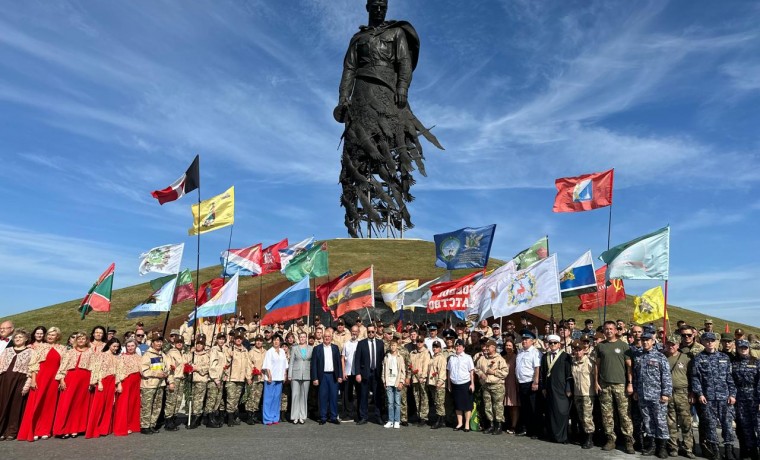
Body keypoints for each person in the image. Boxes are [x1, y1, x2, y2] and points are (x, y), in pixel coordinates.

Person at [334, 0, 442, 237]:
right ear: (368, 7)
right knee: (357, 152)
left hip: (388, 93)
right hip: (361, 95)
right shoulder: (358, 39)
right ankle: (356, 218)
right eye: (376, 5)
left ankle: (395, 211)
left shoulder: (396, 33)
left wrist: (402, 88)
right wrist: (343, 99)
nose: (380, 9)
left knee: (389, 149)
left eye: (383, 5)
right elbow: (349, 70)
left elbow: (404, 63)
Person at [691, 331, 737, 460]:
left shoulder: (724, 358)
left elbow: (730, 378)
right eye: (707, 340)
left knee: (727, 425)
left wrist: (732, 394)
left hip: (725, 397)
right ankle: (715, 450)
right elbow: (696, 378)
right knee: (710, 425)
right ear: (703, 342)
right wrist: (699, 394)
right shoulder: (699, 358)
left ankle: (728, 450)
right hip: (708, 398)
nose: (710, 343)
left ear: (716, 342)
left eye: (712, 340)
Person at [18, 327, 65, 442]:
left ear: (57, 336)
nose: (50, 336)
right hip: (40, 377)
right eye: (48, 334)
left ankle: (44, 430)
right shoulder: (39, 347)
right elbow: (33, 364)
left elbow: (64, 366)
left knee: (49, 404)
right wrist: (33, 380)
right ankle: (33, 429)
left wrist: (61, 379)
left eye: (53, 335)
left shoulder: (62, 349)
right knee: (36, 403)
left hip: (54, 380)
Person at [595, 321, 635, 453]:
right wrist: (596, 382)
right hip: (605, 385)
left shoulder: (624, 346)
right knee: (607, 415)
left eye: (611, 329)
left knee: (624, 414)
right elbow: (597, 366)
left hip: (621, 385)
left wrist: (630, 383)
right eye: (606, 329)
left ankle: (629, 441)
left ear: (616, 330)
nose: (608, 331)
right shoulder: (600, 346)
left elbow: (629, 366)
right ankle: (610, 439)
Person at [633, 332, 672, 458]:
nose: (645, 342)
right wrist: (635, 391)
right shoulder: (639, 357)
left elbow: (666, 376)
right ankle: (652, 445)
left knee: (660, 422)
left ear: (653, 341)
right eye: (643, 340)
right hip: (643, 395)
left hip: (658, 396)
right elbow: (635, 376)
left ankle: (662, 447)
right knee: (648, 421)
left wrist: (665, 393)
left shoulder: (660, 357)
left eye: (647, 340)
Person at [54, 331, 94, 438]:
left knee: (79, 404)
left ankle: (76, 428)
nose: (81, 341)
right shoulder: (70, 352)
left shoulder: (91, 352)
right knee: (66, 402)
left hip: (85, 378)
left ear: (86, 340)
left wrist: (92, 382)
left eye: (83, 339)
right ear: (76, 340)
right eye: (79, 339)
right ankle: (63, 429)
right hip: (70, 377)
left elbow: (94, 367)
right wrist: (62, 379)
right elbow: (63, 366)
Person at [663, 335, 696, 458]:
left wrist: (692, 392)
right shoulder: (663, 357)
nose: (671, 346)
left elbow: (692, 376)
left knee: (686, 422)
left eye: (674, 344)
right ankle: (673, 447)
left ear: (678, 345)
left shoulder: (686, 358)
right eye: (669, 344)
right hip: (668, 393)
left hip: (683, 393)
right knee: (670, 422)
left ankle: (688, 448)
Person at [540, 334, 574, 444]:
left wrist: (568, 388)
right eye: (550, 343)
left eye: (555, 343)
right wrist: (544, 387)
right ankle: (553, 435)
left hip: (562, 388)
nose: (553, 345)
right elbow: (543, 373)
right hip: (550, 388)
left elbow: (569, 374)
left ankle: (563, 437)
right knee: (551, 412)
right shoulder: (545, 356)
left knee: (562, 412)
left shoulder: (566, 356)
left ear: (559, 344)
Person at [0, 329, 32, 441]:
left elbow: (31, 369)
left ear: (26, 339)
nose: (18, 339)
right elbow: (0, 364)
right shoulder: (8, 350)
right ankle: (1, 430)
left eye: (20, 337)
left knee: (15, 406)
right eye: (16, 337)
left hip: (20, 381)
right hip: (4, 380)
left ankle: (12, 431)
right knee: (2, 404)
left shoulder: (30, 352)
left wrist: (27, 385)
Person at [139, 332, 174, 435]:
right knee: (147, 406)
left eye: (160, 341)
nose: (159, 343)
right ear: (152, 343)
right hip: (149, 385)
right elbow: (144, 370)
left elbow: (168, 369)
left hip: (160, 384)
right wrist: (156, 374)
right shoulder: (147, 354)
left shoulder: (163, 355)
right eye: (156, 341)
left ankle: (152, 424)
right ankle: (145, 426)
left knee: (157, 406)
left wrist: (167, 376)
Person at [85, 338, 120, 438]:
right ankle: (93, 429)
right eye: (114, 346)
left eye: (117, 347)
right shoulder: (102, 355)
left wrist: (118, 383)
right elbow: (97, 369)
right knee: (99, 405)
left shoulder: (116, 357)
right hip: (103, 380)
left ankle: (104, 429)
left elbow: (118, 371)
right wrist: (99, 382)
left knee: (109, 405)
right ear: (109, 345)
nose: (115, 348)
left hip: (112, 381)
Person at [731, 339, 760, 460]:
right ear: (737, 348)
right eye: (741, 347)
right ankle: (752, 451)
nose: (743, 349)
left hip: (754, 397)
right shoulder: (734, 363)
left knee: (758, 426)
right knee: (745, 426)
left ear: (749, 348)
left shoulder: (756, 362)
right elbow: (731, 380)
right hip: (740, 398)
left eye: (745, 347)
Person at [476, 339, 508, 435]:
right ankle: (490, 425)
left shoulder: (500, 359)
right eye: (485, 346)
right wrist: (481, 374)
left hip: (497, 385)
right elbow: (476, 368)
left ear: (493, 347)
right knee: (487, 406)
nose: (486, 348)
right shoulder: (482, 358)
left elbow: (505, 372)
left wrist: (494, 372)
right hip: (486, 385)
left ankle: (498, 426)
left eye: (488, 346)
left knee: (497, 406)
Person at [354, 324, 384, 424]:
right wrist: (357, 373)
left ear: (375, 331)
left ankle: (378, 416)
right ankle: (363, 417)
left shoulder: (380, 343)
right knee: (363, 395)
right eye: (369, 332)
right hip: (365, 373)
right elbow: (357, 359)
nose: (370, 333)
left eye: (372, 331)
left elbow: (382, 359)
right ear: (367, 332)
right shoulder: (361, 343)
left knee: (377, 396)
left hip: (377, 373)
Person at [311, 329, 343, 425]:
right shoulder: (317, 349)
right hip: (323, 376)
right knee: (323, 397)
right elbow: (314, 365)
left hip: (333, 375)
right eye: (325, 337)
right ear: (323, 337)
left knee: (334, 396)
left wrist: (340, 375)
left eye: (329, 336)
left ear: (331, 337)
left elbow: (338, 363)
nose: (327, 338)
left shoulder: (335, 348)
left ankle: (333, 417)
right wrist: (315, 378)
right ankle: (323, 417)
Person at [515, 330, 542, 438]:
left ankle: (536, 430)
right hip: (521, 383)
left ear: (532, 341)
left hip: (530, 382)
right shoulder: (520, 352)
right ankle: (527, 428)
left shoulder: (535, 352)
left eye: (526, 339)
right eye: (523, 339)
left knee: (533, 407)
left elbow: (537, 368)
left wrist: (535, 382)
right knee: (525, 408)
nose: (524, 341)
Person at [570, 339, 595, 449]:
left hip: (587, 394)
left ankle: (589, 439)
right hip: (577, 393)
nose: (577, 352)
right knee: (580, 416)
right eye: (575, 350)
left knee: (587, 417)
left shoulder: (590, 362)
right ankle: (583, 436)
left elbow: (595, 376)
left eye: (579, 350)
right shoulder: (573, 362)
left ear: (584, 350)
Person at [113, 338, 141, 436]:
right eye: (128, 346)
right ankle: (122, 426)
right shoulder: (122, 357)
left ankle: (131, 425)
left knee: (133, 404)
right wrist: (119, 384)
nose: (130, 348)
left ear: (136, 346)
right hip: (126, 381)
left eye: (132, 346)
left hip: (136, 382)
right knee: (123, 404)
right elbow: (118, 372)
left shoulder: (139, 357)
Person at [224, 331, 252, 427]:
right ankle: (230, 419)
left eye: (240, 338)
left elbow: (248, 365)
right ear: (234, 339)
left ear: (242, 339)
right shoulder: (230, 349)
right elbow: (225, 364)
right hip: (231, 378)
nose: (238, 340)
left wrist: (248, 377)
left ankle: (232, 416)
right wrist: (229, 357)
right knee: (231, 398)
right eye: (237, 338)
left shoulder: (245, 351)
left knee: (236, 399)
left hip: (240, 379)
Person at [447, 339, 475, 432]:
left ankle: (467, 424)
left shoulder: (468, 357)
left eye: (460, 346)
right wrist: (449, 384)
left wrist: (472, 384)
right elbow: (449, 372)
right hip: (455, 384)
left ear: (463, 348)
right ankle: (460, 423)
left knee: (467, 405)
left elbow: (471, 372)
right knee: (457, 405)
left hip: (465, 383)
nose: (457, 347)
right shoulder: (452, 358)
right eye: (456, 346)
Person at [184, 335, 211, 429]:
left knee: (198, 400)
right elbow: (185, 362)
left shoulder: (206, 355)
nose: (199, 345)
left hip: (201, 379)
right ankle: (192, 415)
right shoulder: (192, 353)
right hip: (191, 379)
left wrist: (197, 368)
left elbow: (207, 368)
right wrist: (189, 353)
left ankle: (196, 417)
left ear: (204, 345)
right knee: (191, 399)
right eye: (198, 343)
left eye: (201, 344)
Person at [262, 335, 288, 425]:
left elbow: (285, 365)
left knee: (277, 398)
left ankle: (275, 417)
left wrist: (285, 375)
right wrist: (269, 376)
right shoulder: (269, 352)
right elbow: (267, 365)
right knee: (268, 398)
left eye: (278, 340)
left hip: (279, 377)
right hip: (271, 378)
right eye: (274, 340)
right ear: (272, 342)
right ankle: (267, 418)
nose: (276, 342)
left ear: (280, 342)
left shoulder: (282, 351)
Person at [163, 335, 186, 431]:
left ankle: (173, 418)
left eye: (181, 342)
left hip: (181, 379)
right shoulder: (171, 353)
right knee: (171, 401)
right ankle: (168, 421)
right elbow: (169, 369)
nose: (179, 344)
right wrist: (171, 381)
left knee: (178, 400)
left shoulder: (184, 353)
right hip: (174, 378)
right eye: (177, 342)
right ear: (174, 343)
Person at [289, 332, 312, 424]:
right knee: (295, 395)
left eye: (304, 337)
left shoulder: (311, 348)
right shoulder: (294, 348)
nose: (302, 338)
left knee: (304, 396)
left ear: (306, 338)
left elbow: (312, 362)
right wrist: (290, 375)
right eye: (301, 337)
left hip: (306, 374)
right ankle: (295, 416)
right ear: (298, 338)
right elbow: (291, 362)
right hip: (295, 374)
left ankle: (302, 416)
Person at [382, 339, 406, 429]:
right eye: (391, 345)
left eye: (394, 345)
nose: (393, 347)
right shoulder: (387, 357)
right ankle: (390, 420)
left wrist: (401, 381)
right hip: (389, 382)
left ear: (397, 346)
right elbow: (384, 370)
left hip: (397, 382)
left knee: (397, 403)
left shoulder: (400, 357)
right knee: (390, 402)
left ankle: (397, 421)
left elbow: (403, 371)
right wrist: (384, 380)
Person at [244, 335, 266, 425]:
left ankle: (254, 415)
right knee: (251, 397)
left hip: (262, 378)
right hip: (253, 377)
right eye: (257, 340)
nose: (258, 342)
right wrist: (249, 377)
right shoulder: (251, 352)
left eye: (260, 341)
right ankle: (249, 416)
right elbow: (248, 365)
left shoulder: (266, 352)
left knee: (257, 397)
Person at [409, 336, 431, 426]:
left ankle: (424, 417)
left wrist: (423, 376)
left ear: (423, 342)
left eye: (421, 341)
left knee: (424, 398)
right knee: (416, 397)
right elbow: (409, 365)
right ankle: (419, 415)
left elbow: (426, 366)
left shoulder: (426, 352)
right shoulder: (412, 353)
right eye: (417, 341)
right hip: (414, 378)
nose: (419, 343)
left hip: (422, 378)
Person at [341, 324, 360, 420]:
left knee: (359, 393)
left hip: (357, 373)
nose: (354, 333)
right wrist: (343, 372)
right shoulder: (346, 344)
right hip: (348, 372)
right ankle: (349, 413)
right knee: (348, 394)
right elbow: (343, 358)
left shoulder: (361, 343)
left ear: (359, 332)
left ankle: (358, 413)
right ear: (350, 332)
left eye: (356, 331)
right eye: (353, 331)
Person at [502, 337, 520, 434]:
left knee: (514, 405)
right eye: (506, 345)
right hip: (504, 383)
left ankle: (514, 426)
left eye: (510, 345)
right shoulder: (503, 358)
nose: (508, 347)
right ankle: (508, 423)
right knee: (507, 406)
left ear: (513, 347)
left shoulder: (517, 357)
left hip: (513, 382)